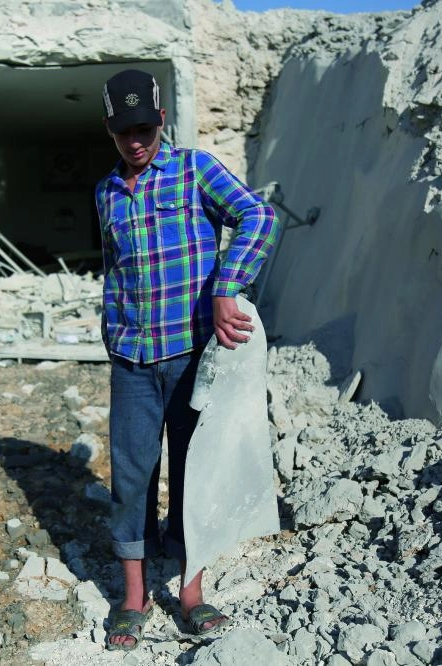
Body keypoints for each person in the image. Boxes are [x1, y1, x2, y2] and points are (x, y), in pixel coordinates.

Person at [94, 68, 278, 650]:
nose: (136, 141)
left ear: (161, 120)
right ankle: (133, 595)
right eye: (125, 132)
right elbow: (113, 269)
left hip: (194, 354)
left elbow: (259, 216)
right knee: (131, 476)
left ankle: (192, 594)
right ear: (111, 131)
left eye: (144, 127)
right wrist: (112, 330)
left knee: (192, 473)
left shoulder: (194, 170)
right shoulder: (106, 192)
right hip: (131, 359)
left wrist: (228, 285)